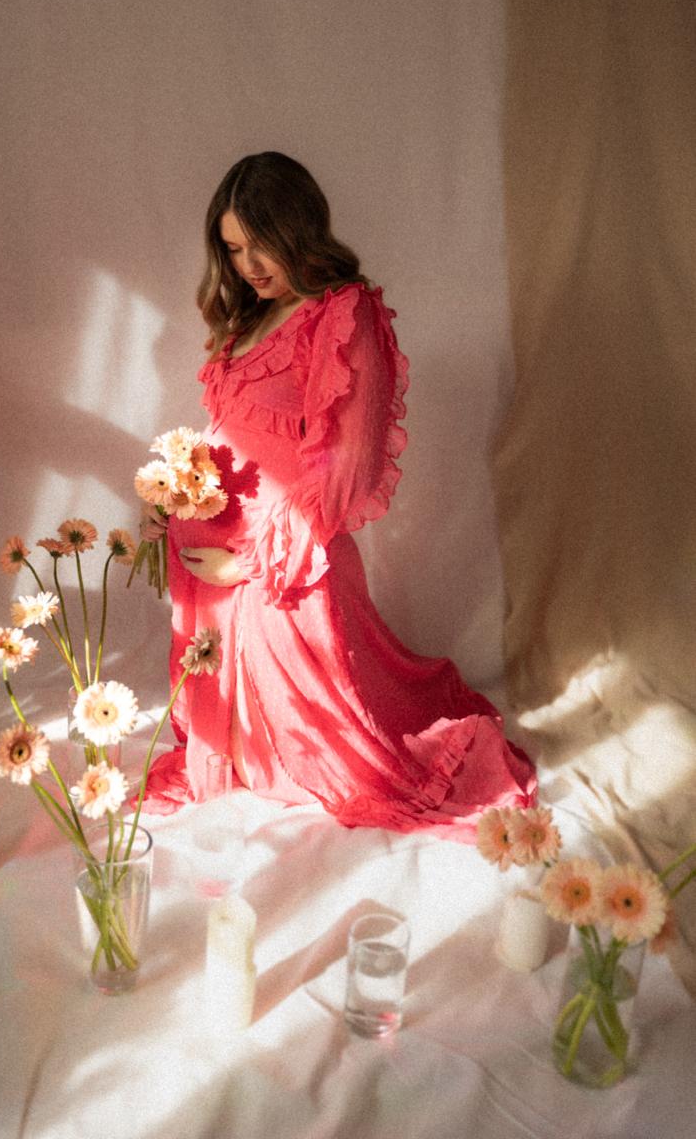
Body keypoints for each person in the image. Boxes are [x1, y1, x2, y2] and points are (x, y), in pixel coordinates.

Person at [141, 151, 535, 838]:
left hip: (284, 568)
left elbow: (343, 469)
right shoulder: (247, 323)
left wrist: (251, 564)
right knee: (234, 757)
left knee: (333, 761)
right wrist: (173, 489)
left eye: (260, 244)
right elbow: (234, 435)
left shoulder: (342, 314)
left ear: (299, 229)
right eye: (233, 250)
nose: (248, 266)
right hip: (214, 562)